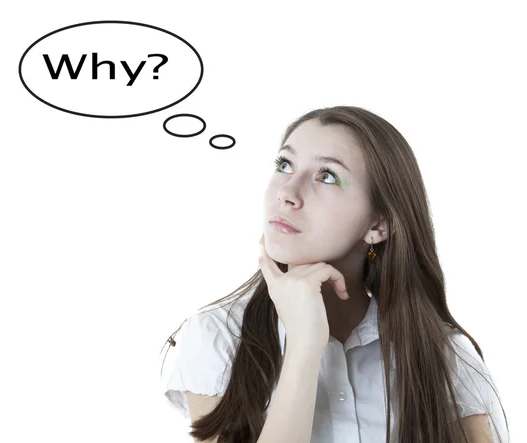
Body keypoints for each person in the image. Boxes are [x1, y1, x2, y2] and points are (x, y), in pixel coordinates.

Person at [159, 106, 510, 443]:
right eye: (285, 164)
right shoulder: (218, 335)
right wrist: (304, 347)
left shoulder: (445, 355)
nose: (287, 193)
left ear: (378, 224)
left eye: (326, 176)